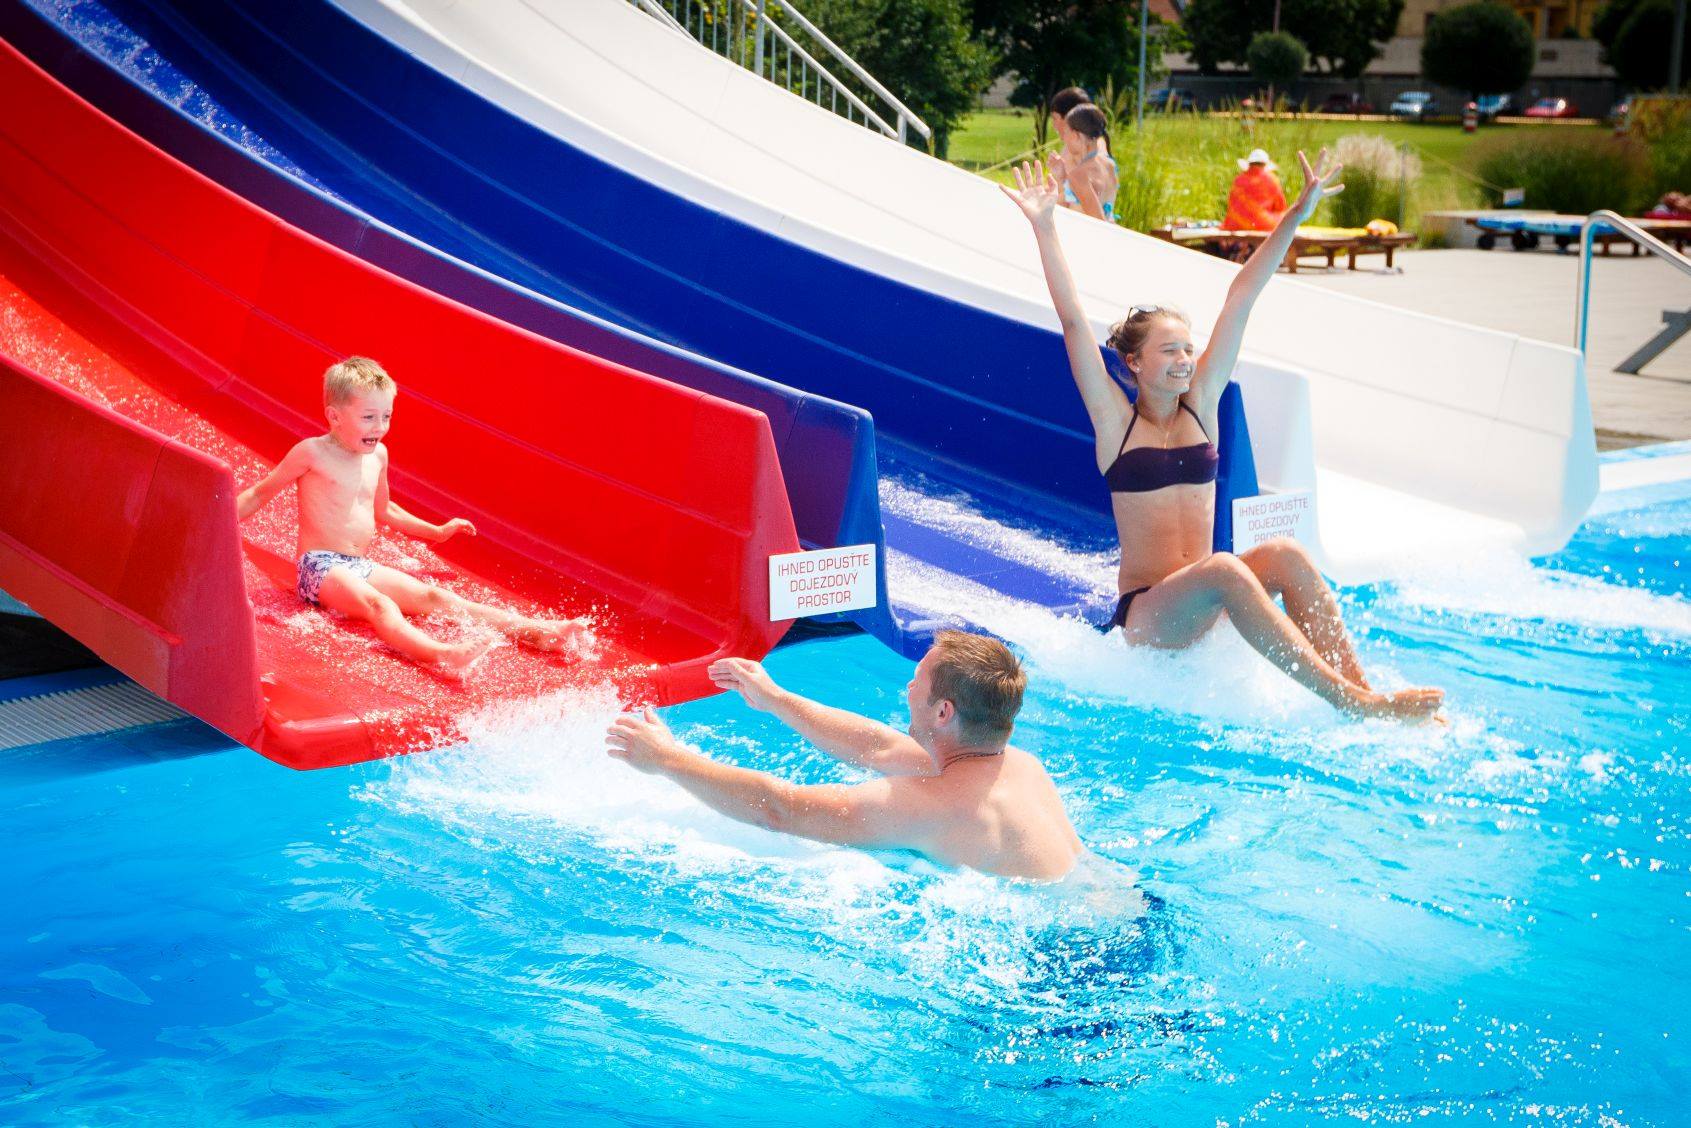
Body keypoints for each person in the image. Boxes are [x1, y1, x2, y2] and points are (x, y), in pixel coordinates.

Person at [1001, 152, 1445, 722]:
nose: (1186, 360)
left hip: (1209, 599)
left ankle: (1364, 691)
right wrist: (1044, 227)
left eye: (1189, 348)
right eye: (1170, 351)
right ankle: (1350, 701)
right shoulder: (1116, 422)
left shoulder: (1202, 406)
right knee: (1224, 568)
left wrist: (1297, 213)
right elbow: (1070, 320)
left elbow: (1242, 294)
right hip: (1151, 614)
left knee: (1285, 554)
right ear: (1133, 362)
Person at [605, 631, 1085, 880]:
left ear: (943, 711)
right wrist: (773, 697)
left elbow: (781, 809)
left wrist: (667, 760)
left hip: (1070, 966)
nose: (907, 686)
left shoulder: (927, 805)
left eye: (917, 679)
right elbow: (878, 745)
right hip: (1125, 912)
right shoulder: (1016, 763)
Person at [235, 356, 593, 673]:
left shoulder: (378, 456)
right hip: (319, 568)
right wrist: (215, 521)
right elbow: (260, 492)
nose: (379, 426)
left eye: (386, 416)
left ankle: (537, 630)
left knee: (434, 598)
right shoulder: (311, 453)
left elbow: (385, 509)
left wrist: (436, 532)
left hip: (358, 564)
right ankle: (442, 654)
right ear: (334, 416)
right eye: (368, 417)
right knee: (381, 604)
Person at [1049, 103, 1118, 222]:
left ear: (1076, 135)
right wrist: (1062, 178)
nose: (1063, 138)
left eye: (1065, 133)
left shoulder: (1080, 174)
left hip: (1086, 238)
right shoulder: (1110, 164)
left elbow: (1099, 223)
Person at [1223, 148, 1287, 232]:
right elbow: (1281, 207)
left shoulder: (1238, 180)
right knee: (1284, 216)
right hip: (1261, 224)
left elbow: (1231, 204)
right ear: (1265, 165)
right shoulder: (1271, 179)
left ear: (1249, 164)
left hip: (1234, 223)